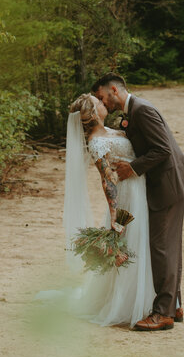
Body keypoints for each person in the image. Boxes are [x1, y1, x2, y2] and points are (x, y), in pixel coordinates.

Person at [92, 73, 184, 331]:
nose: (101, 101)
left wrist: (133, 168)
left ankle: (163, 314)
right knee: (166, 248)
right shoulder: (133, 112)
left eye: (101, 96)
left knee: (161, 248)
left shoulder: (142, 110)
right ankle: (174, 305)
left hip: (167, 186)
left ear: (114, 90)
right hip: (162, 185)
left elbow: (162, 149)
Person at [64, 93, 155, 328]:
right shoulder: (96, 142)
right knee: (132, 244)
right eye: (99, 103)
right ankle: (127, 304)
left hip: (139, 187)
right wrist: (115, 216)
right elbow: (108, 181)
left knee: (143, 243)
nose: (104, 104)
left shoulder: (110, 131)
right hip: (127, 197)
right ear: (93, 113)